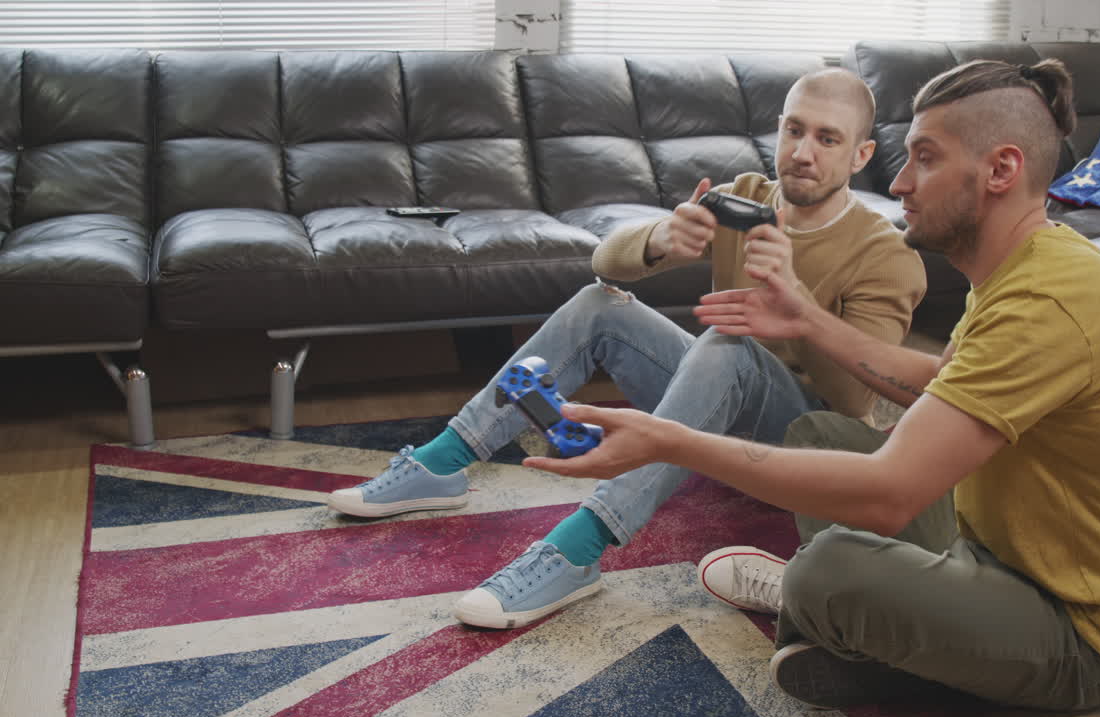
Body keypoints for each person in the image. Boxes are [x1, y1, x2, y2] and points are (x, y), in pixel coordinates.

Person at [524, 58, 1100, 712]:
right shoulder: (1024, 263)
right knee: (822, 435)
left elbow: (888, 496)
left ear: (1001, 170)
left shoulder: (1048, 296)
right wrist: (809, 319)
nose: (900, 183)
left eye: (924, 158)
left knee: (827, 567)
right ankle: (874, 630)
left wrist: (670, 441)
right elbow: (940, 379)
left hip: (1081, 633)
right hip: (992, 549)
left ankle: (830, 612)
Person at [326, 68, 928, 629]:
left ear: (861, 154)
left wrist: (799, 311)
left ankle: (579, 549)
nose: (802, 152)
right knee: (600, 305)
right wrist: (662, 238)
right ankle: (442, 462)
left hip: (802, 449)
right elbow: (603, 261)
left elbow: (855, 397)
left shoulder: (885, 254)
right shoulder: (745, 194)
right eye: (795, 130)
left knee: (727, 339)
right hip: (714, 418)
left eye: (827, 138)